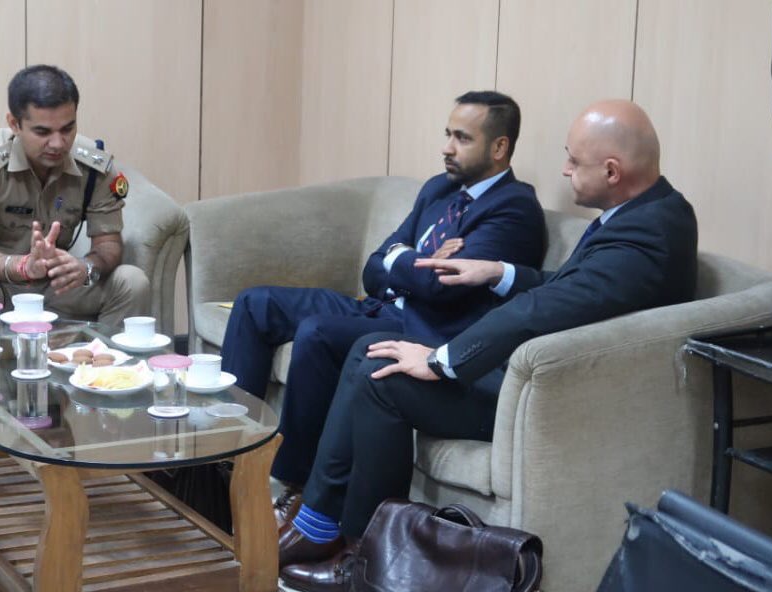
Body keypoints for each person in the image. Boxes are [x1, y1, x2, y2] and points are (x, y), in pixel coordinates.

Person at [278, 99, 700, 592]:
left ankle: (364, 558)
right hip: (535, 377)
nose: (563, 171)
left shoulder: (648, 235)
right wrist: (498, 272)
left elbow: (540, 311)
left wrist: (441, 361)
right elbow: (566, 287)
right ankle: (323, 524)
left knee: (381, 375)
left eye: (573, 162)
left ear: (612, 171)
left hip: (545, 400)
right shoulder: (645, 213)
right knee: (374, 351)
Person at [221, 91, 546, 525]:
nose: (447, 147)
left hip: (425, 331)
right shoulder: (439, 189)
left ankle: (296, 486)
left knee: (317, 332)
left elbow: (441, 287)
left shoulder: (514, 209)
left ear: (499, 147)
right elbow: (375, 267)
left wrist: (401, 257)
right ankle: (223, 462)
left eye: (462, 138)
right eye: (448, 134)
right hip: (380, 305)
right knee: (254, 304)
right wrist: (405, 259)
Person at [0, 64, 150, 328]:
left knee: (132, 281)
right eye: (42, 132)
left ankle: (105, 366)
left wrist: (85, 268)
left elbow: (109, 245)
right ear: (14, 124)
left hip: (58, 284)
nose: (58, 144)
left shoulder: (94, 166)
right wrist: (23, 267)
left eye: (67, 129)